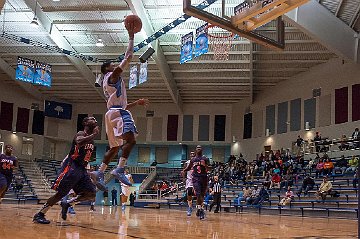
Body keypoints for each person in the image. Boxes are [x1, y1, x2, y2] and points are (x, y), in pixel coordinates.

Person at [91, 22, 149, 191]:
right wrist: (131, 36)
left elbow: (118, 105)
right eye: (111, 64)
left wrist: (135, 103)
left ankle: (100, 172)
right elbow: (128, 56)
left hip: (111, 114)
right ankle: (119, 168)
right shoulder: (113, 75)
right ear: (107, 69)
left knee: (115, 147)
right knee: (131, 140)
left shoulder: (106, 84)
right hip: (118, 113)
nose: (115, 66)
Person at [33, 116, 98, 224]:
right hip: (72, 166)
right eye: (92, 119)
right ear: (85, 122)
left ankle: (68, 204)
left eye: (95, 119)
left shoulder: (91, 140)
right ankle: (40, 214)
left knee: (91, 194)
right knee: (61, 193)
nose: (95, 120)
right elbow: (79, 142)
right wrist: (94, 135)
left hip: (82, 169)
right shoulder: (81, 134)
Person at [182, 145, 210, 220]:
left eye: (200, 148)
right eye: (197, 148)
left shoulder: (205, 159)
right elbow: (187, 168)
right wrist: (184, 172)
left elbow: (210, 168)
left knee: (202, 195)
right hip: (195, 179)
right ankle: (196, 209)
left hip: (204, 178)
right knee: (196, 194)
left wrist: (206, 166)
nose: (199, 149)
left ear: (202, 150)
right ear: (195, 150)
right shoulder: (192, 160)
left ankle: (198, 208)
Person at [183, 151, 195, 216]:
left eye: (193, 154)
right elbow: (184, 171)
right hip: (189, 180)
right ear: (190, 156)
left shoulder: (198, 163)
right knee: (189, 192)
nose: (192, 155)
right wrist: (184, 179)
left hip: (197, 180)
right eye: (191, 154)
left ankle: (201, 209)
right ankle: (190, 207)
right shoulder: (187, 163)